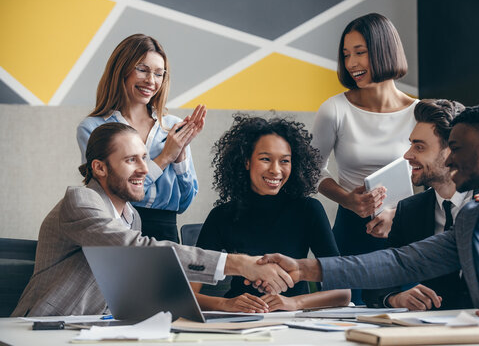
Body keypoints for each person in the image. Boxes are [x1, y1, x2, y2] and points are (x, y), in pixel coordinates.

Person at [256, 102, 479, 320]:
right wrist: (303, 268)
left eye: (455, 148)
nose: (451, 158)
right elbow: (401, 262)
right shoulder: (472, 218)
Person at [12, 123, 293, 317]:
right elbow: (136, 248)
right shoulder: (81, 201)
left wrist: (223, 304)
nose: (145, 169)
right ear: (99, 167)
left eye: (144, 158)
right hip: (43, 327)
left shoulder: (131, 216)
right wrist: (238, 263)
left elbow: (138, 290)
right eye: (131, 160)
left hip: (91, 329)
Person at [190, 115, 351, 313]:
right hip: (238, 320)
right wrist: (226, 304)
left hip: (294, 320)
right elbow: (187, 293)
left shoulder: (309, 210)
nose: (276, 170)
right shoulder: (221, 216)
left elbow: (343, 293)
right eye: (265, 159)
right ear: (247, 161)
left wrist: (295, 303)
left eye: (284, 161)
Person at [311, 13, 418, 304]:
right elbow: (311, 172)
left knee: (407, 317)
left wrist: (397, 213)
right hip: (350, 230)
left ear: (385, 50)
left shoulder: (419, 113)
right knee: (344, 318)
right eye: (346, 55)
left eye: (360, 52)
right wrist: (348, 199)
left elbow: (436, 180)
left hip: (403, 230)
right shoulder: (334, 109)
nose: (352, 64)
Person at [77, 33, 202, 243]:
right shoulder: (93, 128)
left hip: (167, 234)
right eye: (142, 69)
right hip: (116, 230)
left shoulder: (173, 126)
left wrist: (179, 159)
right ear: (121, 70)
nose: (151, 81)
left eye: (159, 74)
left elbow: (184, 204)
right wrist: (164, 158)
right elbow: (107, 195)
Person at [363, 99, 473, 310]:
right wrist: (396, 298)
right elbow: (376, 285)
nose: (407, 155)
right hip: (430, 332)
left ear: (451, 151)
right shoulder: (409, 210)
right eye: (411, 144)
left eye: (419, 147)